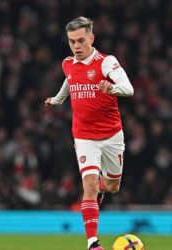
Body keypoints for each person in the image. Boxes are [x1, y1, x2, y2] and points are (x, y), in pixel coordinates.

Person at [45, 16, 134, 250]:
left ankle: (103, 188)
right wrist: (57, 100)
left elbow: (129, 89)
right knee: (89, 187)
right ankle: (93, 243)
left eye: (81, 40)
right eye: (72, 41)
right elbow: (69, 80)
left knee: (112, 186)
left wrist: (111, 87)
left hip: (112, 135)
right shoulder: (67, 63)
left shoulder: (106, 62)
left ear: (91, 39)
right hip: (84, 137)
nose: (76, 46)